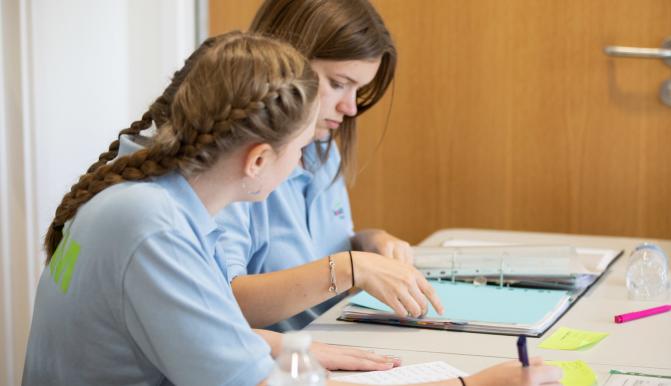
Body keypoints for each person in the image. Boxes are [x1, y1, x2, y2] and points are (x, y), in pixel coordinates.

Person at [23, 31, 562, 386]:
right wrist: (473, 383)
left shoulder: (144, 204)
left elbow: (170, 323)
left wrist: (276, 345)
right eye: (300, 151)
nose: (305, 164)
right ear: (258, 159)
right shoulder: (152, 229)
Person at [223, 0, 418, 332]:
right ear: (285, 61)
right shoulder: (230, 163)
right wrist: (350, 268)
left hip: (333, 343)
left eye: (359, 89)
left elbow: (320, 249)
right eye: (339, 83)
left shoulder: (322, 149)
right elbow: (219, 306)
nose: (351, 108)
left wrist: (369, 243)